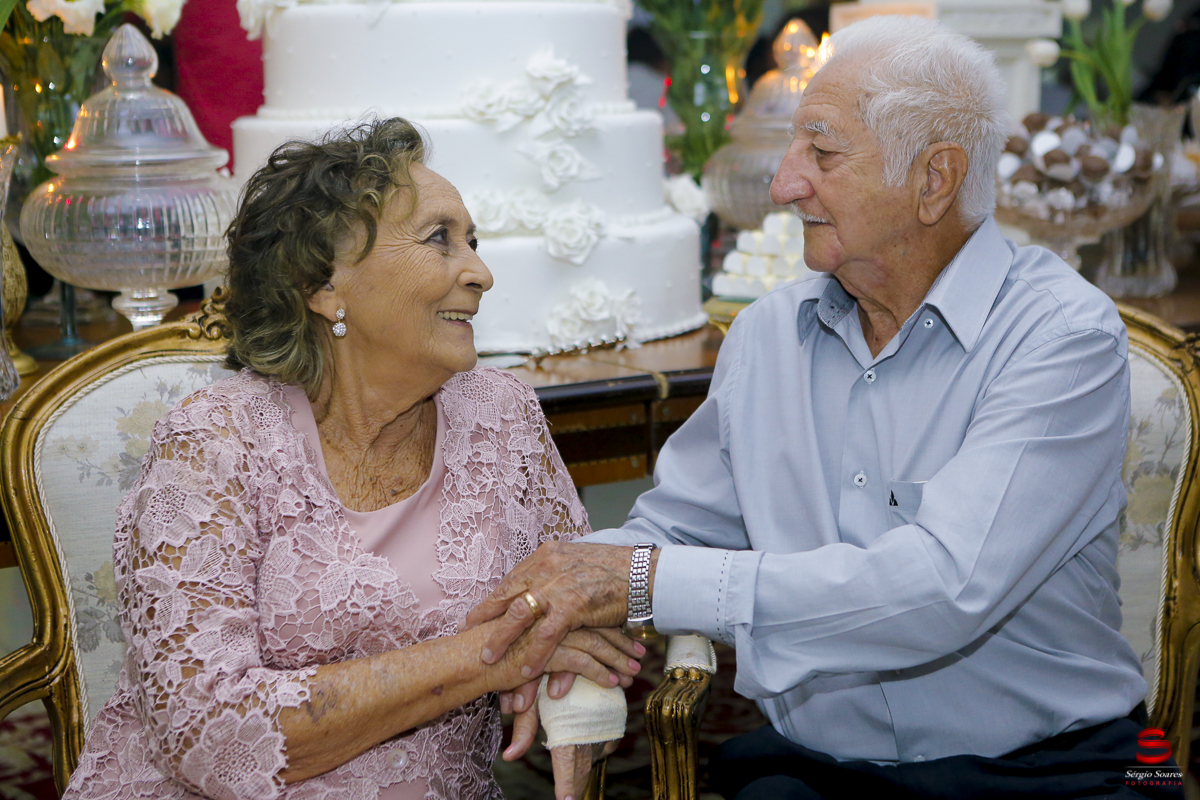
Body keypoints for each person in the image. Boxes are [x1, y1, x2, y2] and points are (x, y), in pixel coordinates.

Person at [467, 16, 1180, 800]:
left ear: (934, 180)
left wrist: (640, 581)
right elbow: (678, 530)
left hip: (1050, 769)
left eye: (822, 152)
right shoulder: (768, 334)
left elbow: (944, 588)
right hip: (823, 770)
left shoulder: (1059, 336)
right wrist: (574, 598)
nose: (783, 184)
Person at [61, 117, 643, 800]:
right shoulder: (215, 442)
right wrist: (488, 659)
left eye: (474, 242)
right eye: (439, 239)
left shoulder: (503, 415)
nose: (481, 273)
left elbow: (578, 607)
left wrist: (571, 694)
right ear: (324, 286)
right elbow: (210, 739)